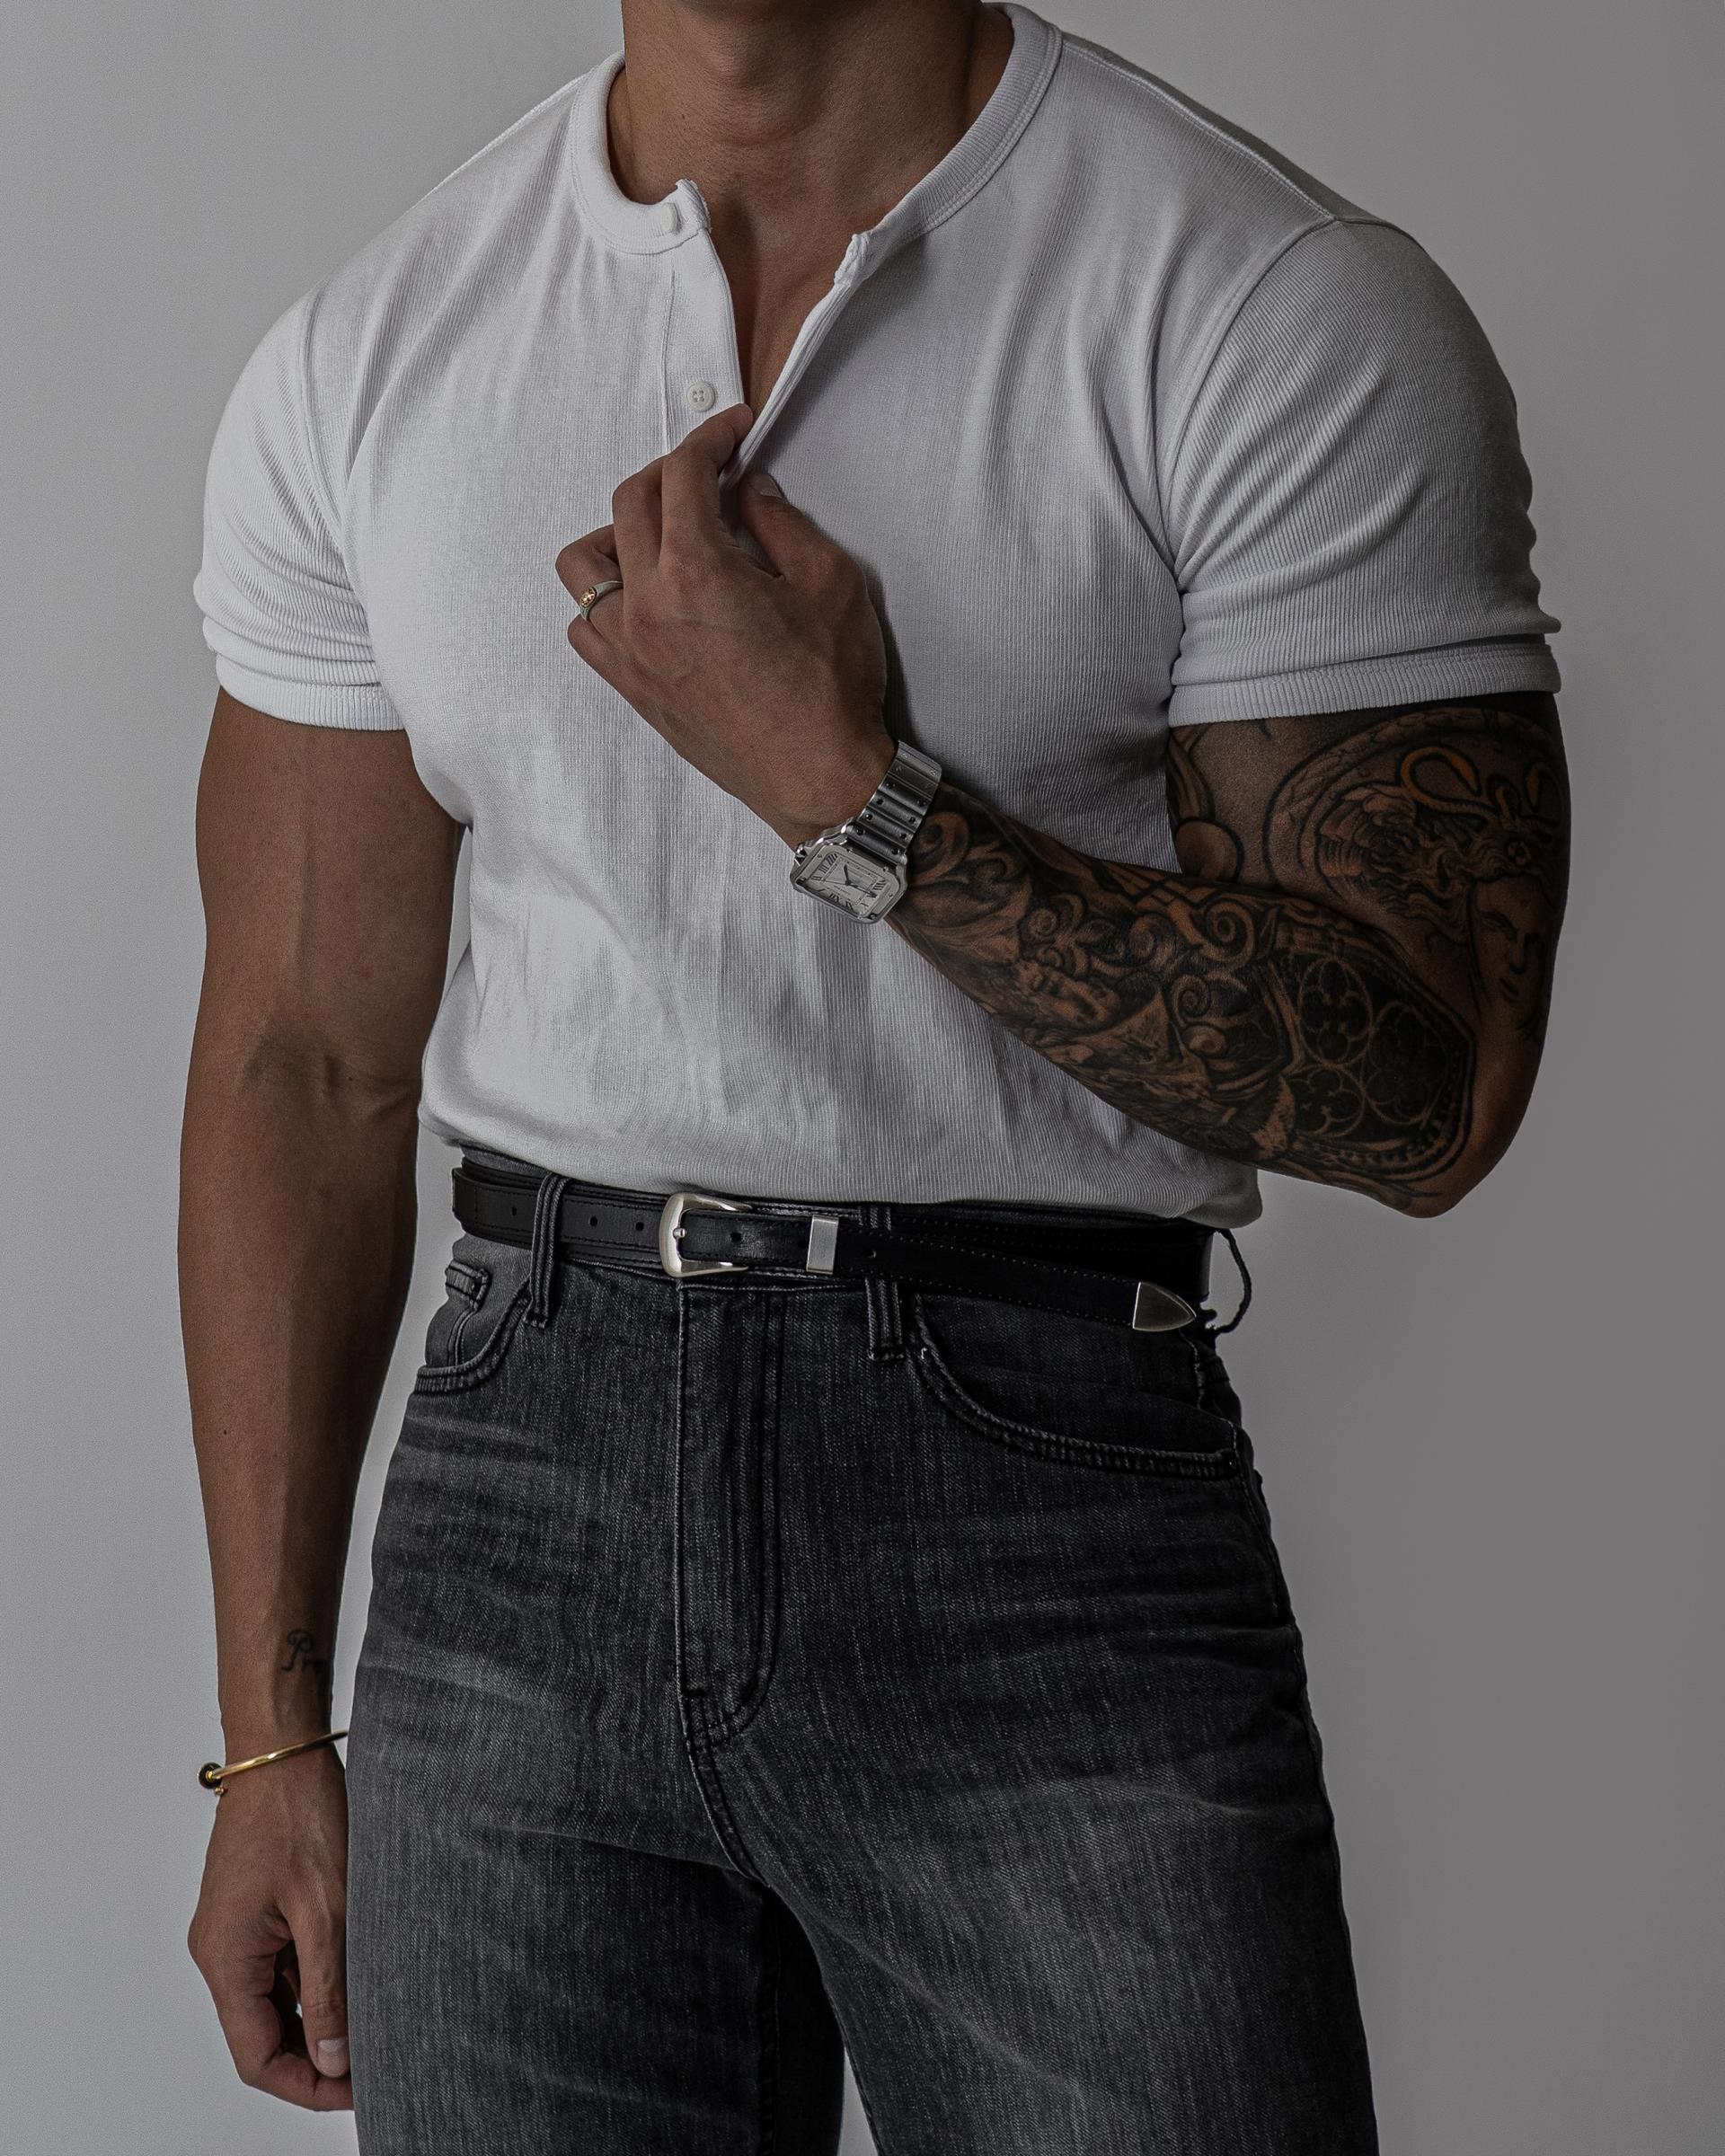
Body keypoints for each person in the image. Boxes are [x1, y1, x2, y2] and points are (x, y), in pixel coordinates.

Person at [180, 2, 1570, 2148]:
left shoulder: (1264, 303)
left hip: (1036, 1502)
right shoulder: (381, 346)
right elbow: (302, 1064)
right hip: (518, 1509)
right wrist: (273, 1736)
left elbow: (1430, 1093)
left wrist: (853, 795)